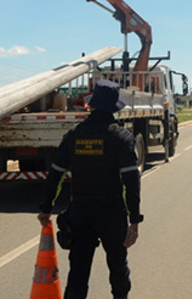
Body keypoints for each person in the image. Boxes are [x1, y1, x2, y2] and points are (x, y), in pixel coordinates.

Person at [38, 80, 143, 299]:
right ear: (114, 108)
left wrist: (46, 208)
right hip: (112, 214)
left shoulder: (74, 135)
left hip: (80, 213)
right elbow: (131, 182)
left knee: (78, 273)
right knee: (118, 268)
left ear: (92, 105)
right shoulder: (121, 138)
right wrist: (134, 219)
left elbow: (55, 174)